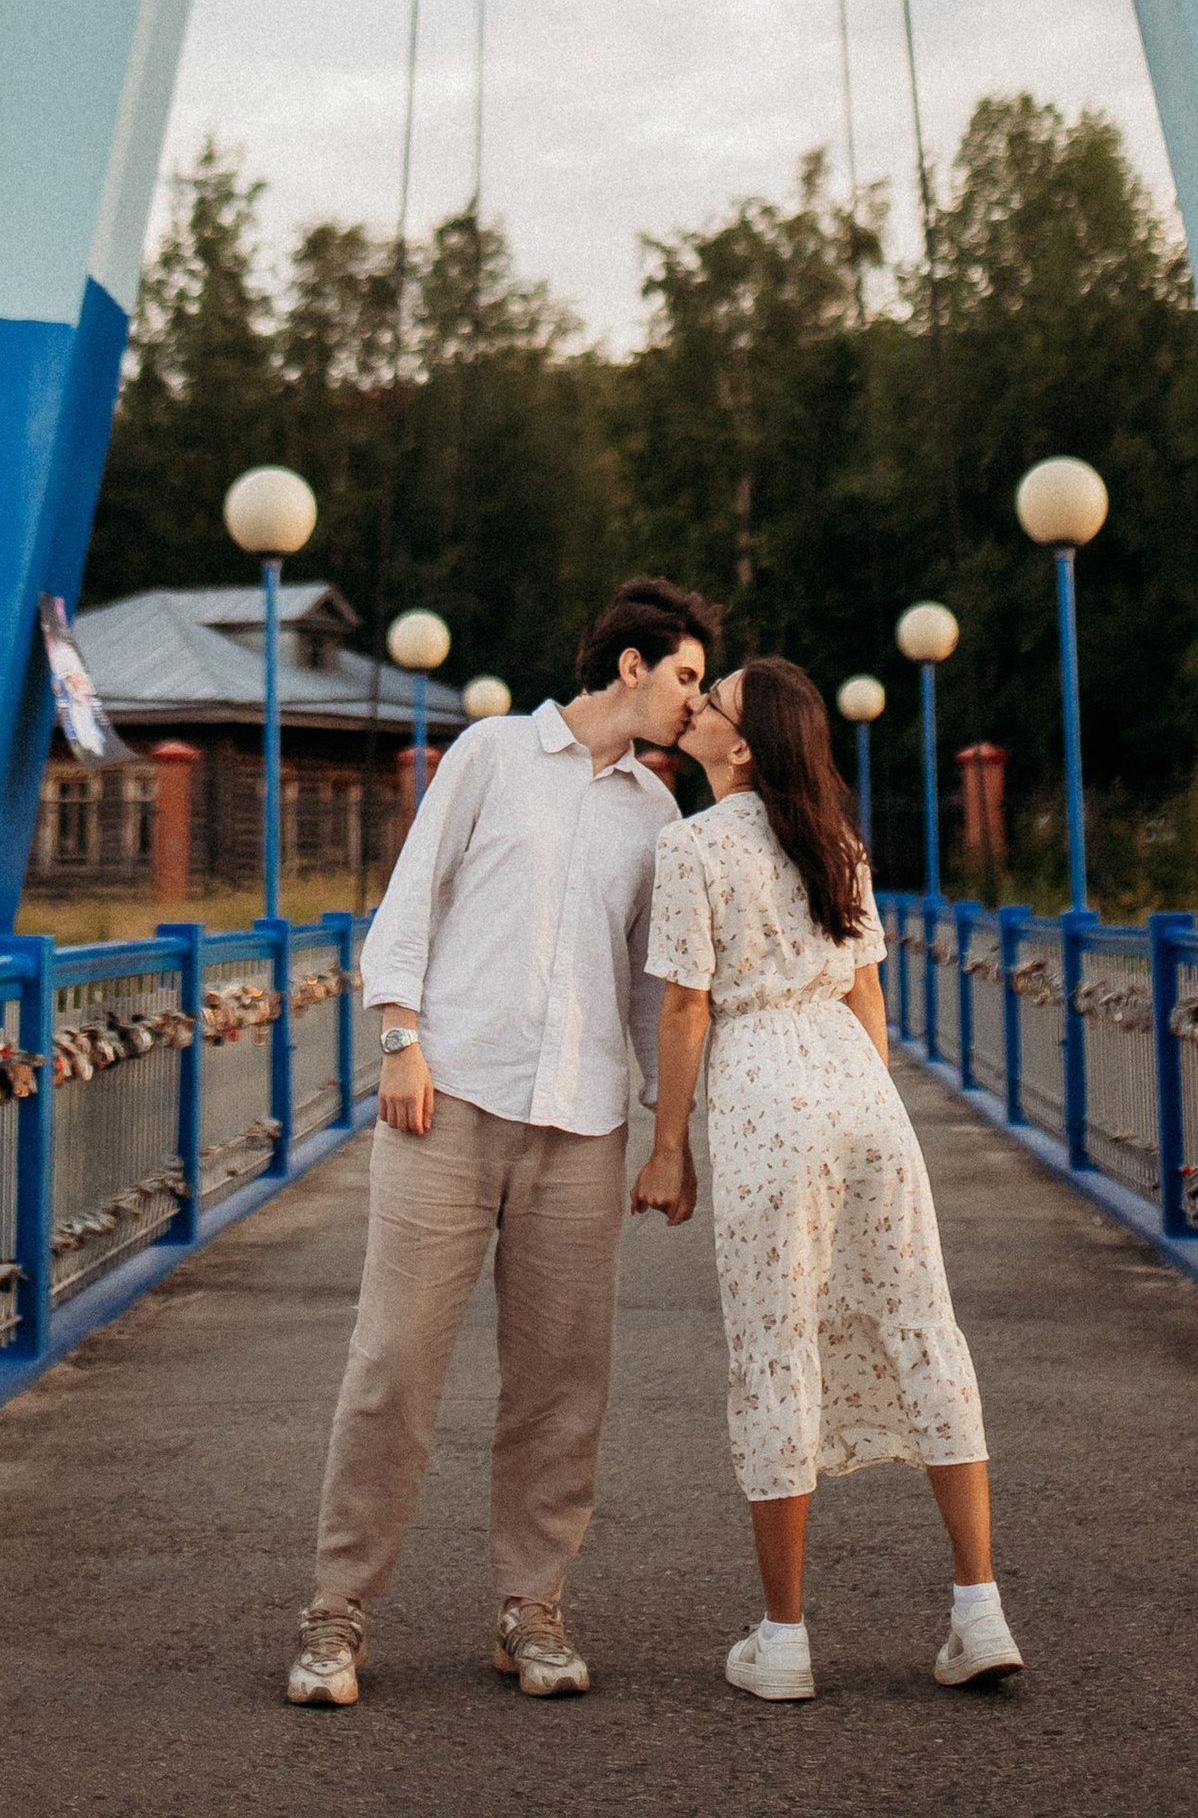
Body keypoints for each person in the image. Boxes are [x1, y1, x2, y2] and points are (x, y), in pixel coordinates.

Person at [286, 575, 723, 1709]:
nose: (695, 699)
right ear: (631, 664)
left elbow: (651, 991)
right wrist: (400, 1041)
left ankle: (533, 1607)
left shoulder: (656, 814)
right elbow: (412, 901)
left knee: (561, 1382)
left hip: (581, 1126)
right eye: (686, 676)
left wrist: (671, 1137)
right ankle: (336, 1612)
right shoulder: (490, 754)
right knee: (393, 1363)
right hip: (449, 1102)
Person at [631, 653, 1020, 1701]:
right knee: (920, 1323)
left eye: (713, 700)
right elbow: (867, 996)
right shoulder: (837, 843)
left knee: (775, 1344)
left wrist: (668, 1147)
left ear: (743, 744)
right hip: (861, 1093)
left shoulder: (691, 845)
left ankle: (785, 1638)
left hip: (765, 1091)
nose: (696, 706)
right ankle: (978, 1609)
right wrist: (866, 1109)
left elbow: (685, 1009)